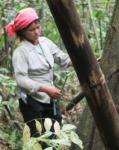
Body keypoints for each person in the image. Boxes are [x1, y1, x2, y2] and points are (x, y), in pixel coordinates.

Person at [5, 7, 71, 140]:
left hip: (50, 99)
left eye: (38, 27)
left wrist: (84, 61)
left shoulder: (45, 43)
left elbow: (63, 59)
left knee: (54, 134)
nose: (36, 32)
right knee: (39, 139)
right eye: (31, 30)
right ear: (22, 32)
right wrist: (45, 89)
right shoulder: (21, 52)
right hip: (32, 101)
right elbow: (21, 79)